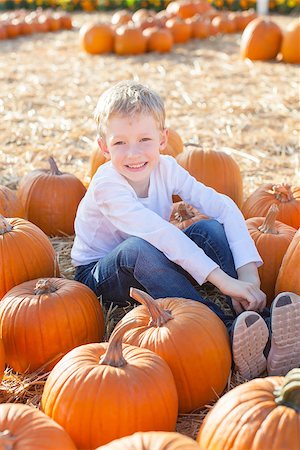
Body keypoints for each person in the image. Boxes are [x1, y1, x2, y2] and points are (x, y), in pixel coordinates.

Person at [71, 80, 300, 380]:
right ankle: (223, 330)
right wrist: (220, 281)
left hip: (154, 252)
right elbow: (160, 234)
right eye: (119, 143)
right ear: (103, 147)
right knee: (138, 249)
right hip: (103, 273)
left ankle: (254, 318)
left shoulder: (167, 168)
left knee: (208, 228)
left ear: (163, 139)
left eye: (144, 139)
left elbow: (225, 207)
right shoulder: (107, 186)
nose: (133, 153)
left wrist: (245, 277)